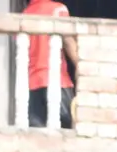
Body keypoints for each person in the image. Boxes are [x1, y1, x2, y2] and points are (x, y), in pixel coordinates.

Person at [23, 0, 78, 130]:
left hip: (32, 84)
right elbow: (68, 42)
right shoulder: (58, 9)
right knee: (64, 132)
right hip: (57, 81)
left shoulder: (25, 13)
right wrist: (81, 66)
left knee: (36, 134)